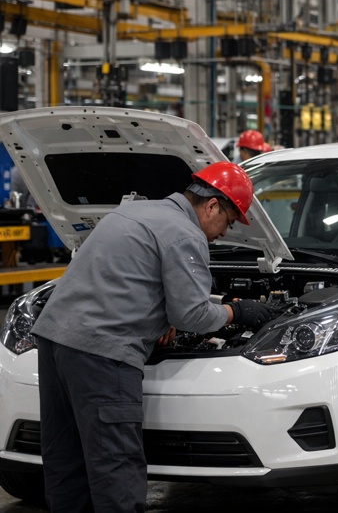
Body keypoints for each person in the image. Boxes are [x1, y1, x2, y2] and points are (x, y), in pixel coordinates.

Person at [31, 162, 274, 513]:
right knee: (115, 464)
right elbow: (192, 316)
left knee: (66, 458)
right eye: (229, 221)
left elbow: (126, 278)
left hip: (54, 340)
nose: (224, 232)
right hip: (102, 352)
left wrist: (160, 314)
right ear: (212, 206)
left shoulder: (131, 211)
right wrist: (238, 311)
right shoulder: (186, 234)